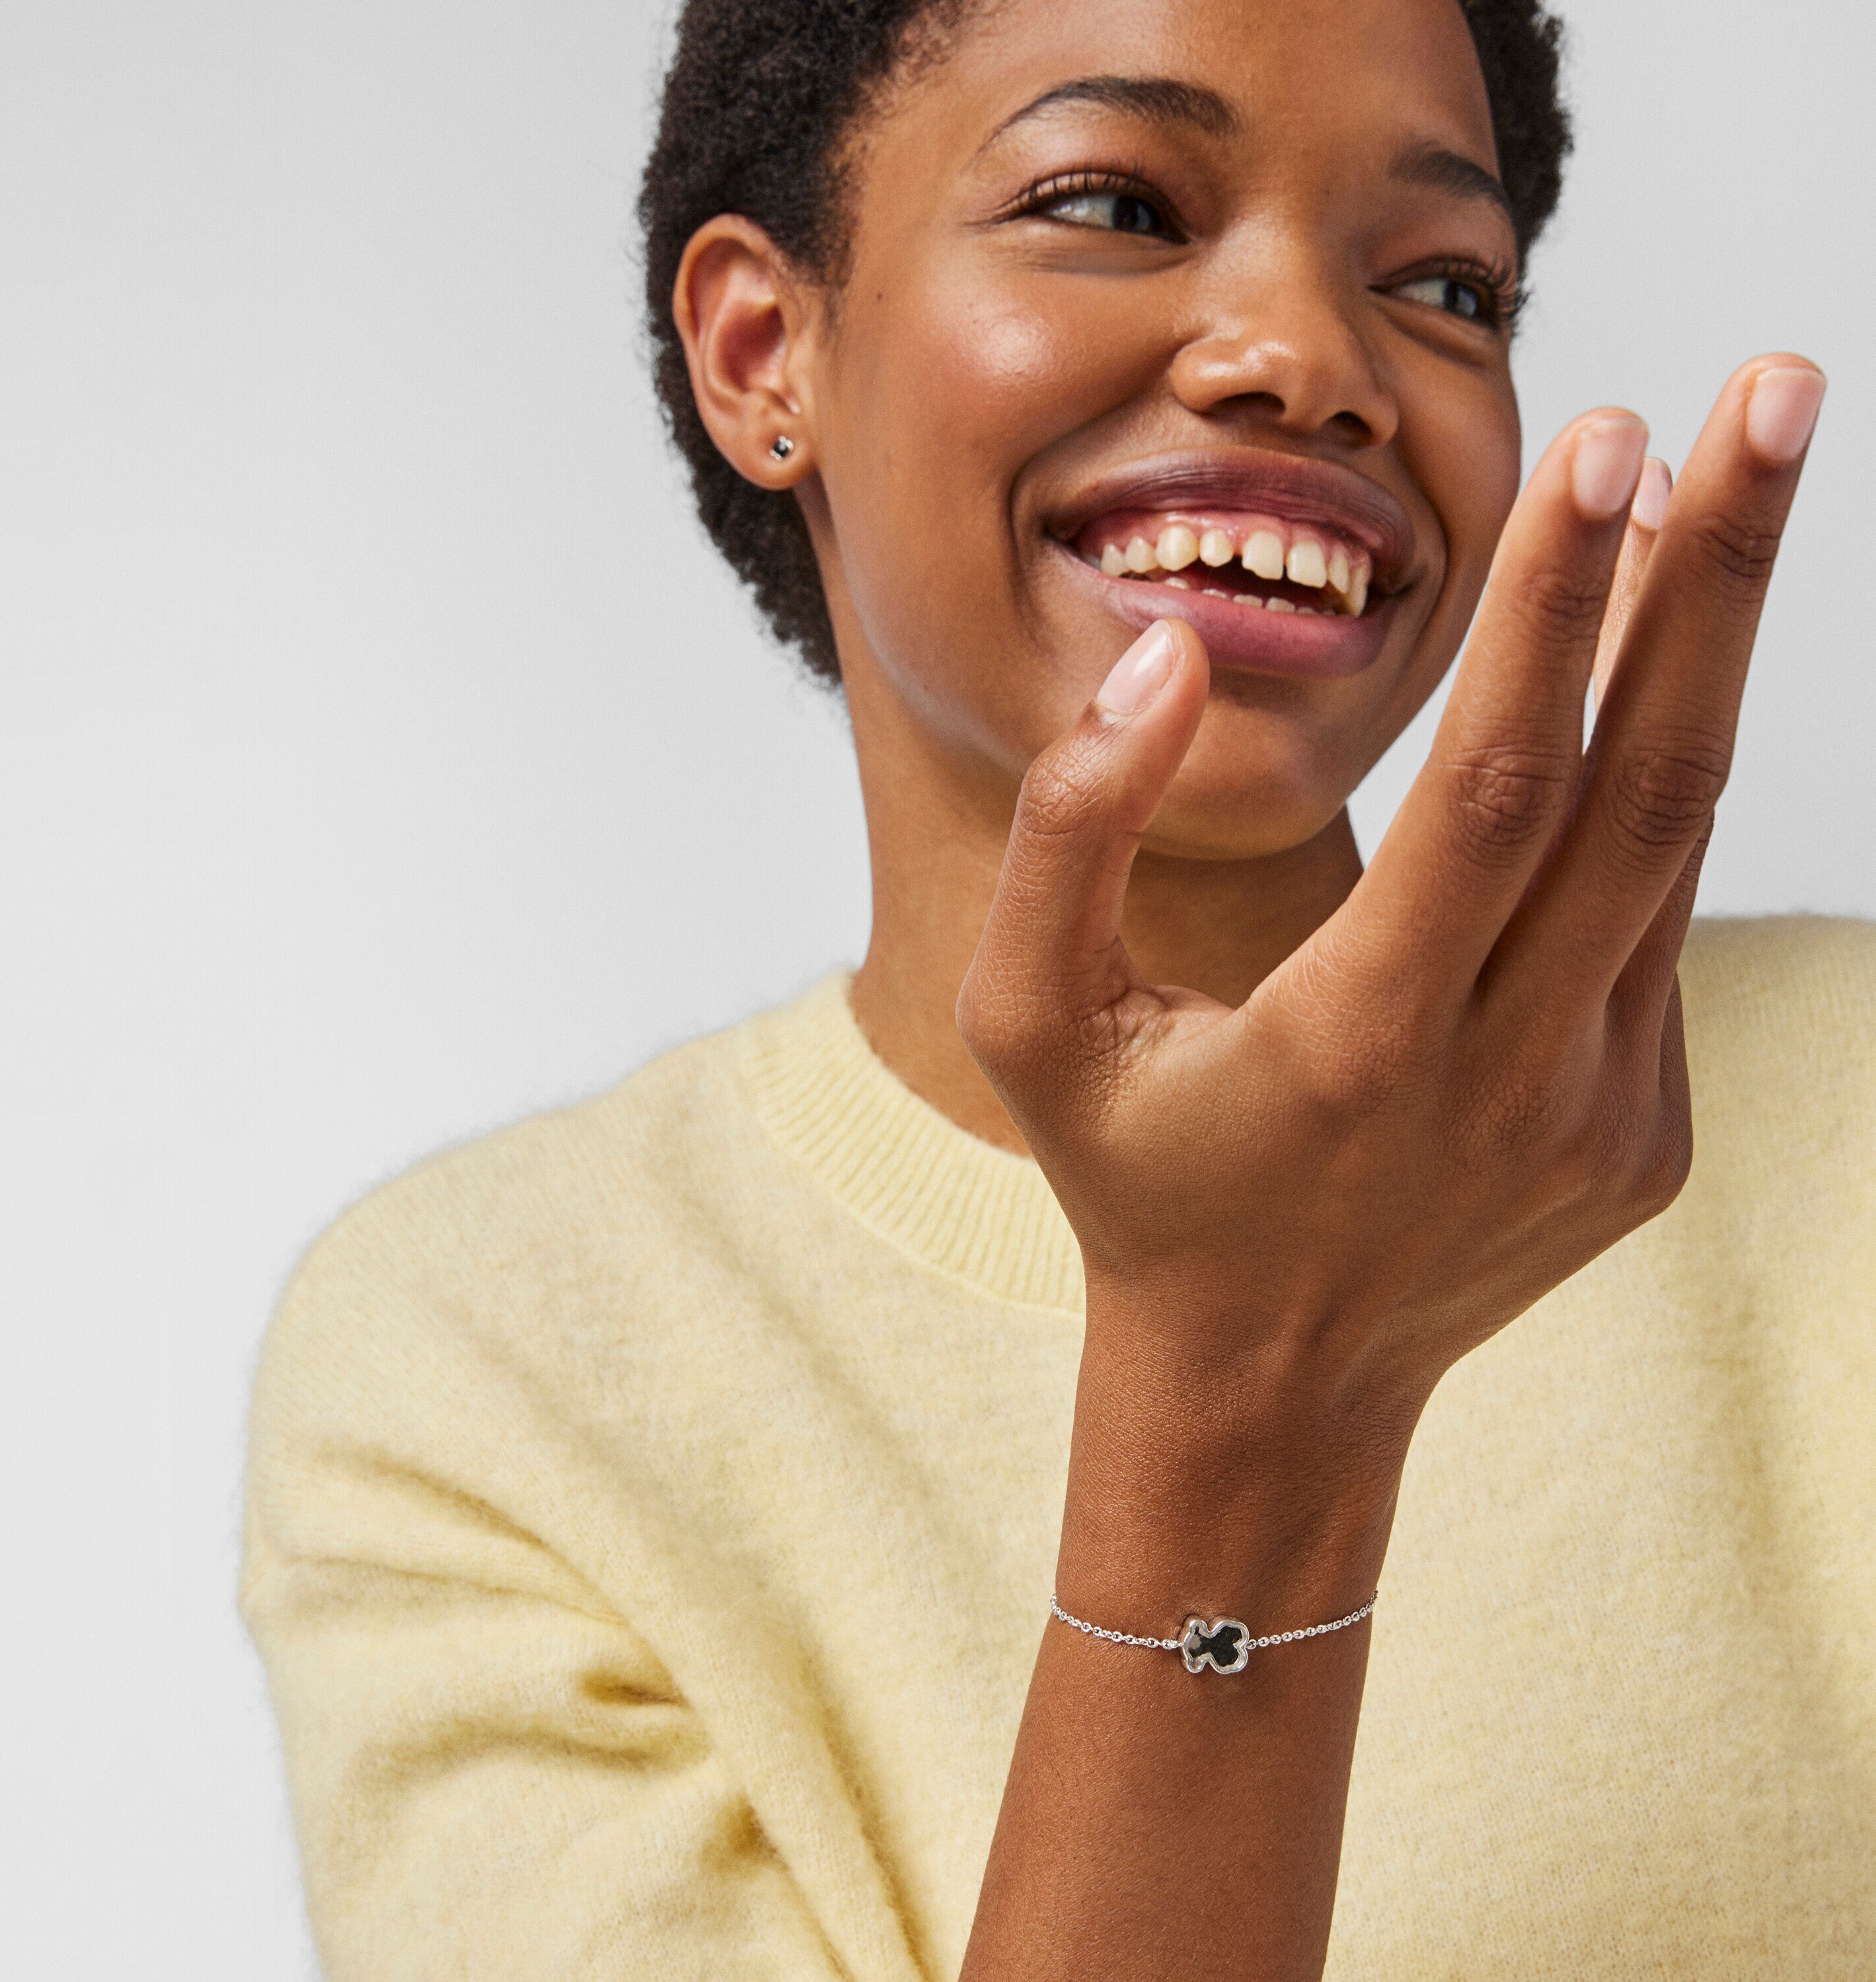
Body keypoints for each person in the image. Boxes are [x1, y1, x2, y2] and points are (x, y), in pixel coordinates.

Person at [240, 0, 1874, 1975]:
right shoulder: (485, 1366)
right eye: (1111, 201)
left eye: (1447, 282)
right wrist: (1254, 1404)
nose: (1315, 361)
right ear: (770, 353)